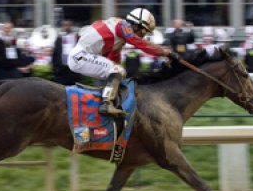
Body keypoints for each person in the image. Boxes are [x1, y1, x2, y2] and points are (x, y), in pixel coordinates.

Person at [67, 8, 200, 116]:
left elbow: (114, 57)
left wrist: (121, 77)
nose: (142, 35)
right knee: (117, 71)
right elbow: (139, 43)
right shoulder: (123, 25)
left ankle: (107, 102)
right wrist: (166, 52)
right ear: (136, 24)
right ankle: (105, 104)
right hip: (80, 57)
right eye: (143, 31)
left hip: (82, 57)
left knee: (117, 72)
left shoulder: (119, 35)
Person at [52, 20, 81, 85]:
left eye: (68, 25)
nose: (67, 27)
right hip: (61, 71)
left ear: (72, 26)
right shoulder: (59, 38)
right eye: (65, 25)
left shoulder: (77, 38)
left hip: (73, 70)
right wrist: (55, 68)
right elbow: (55, 54)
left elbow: (82, 53)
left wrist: (79, 63)